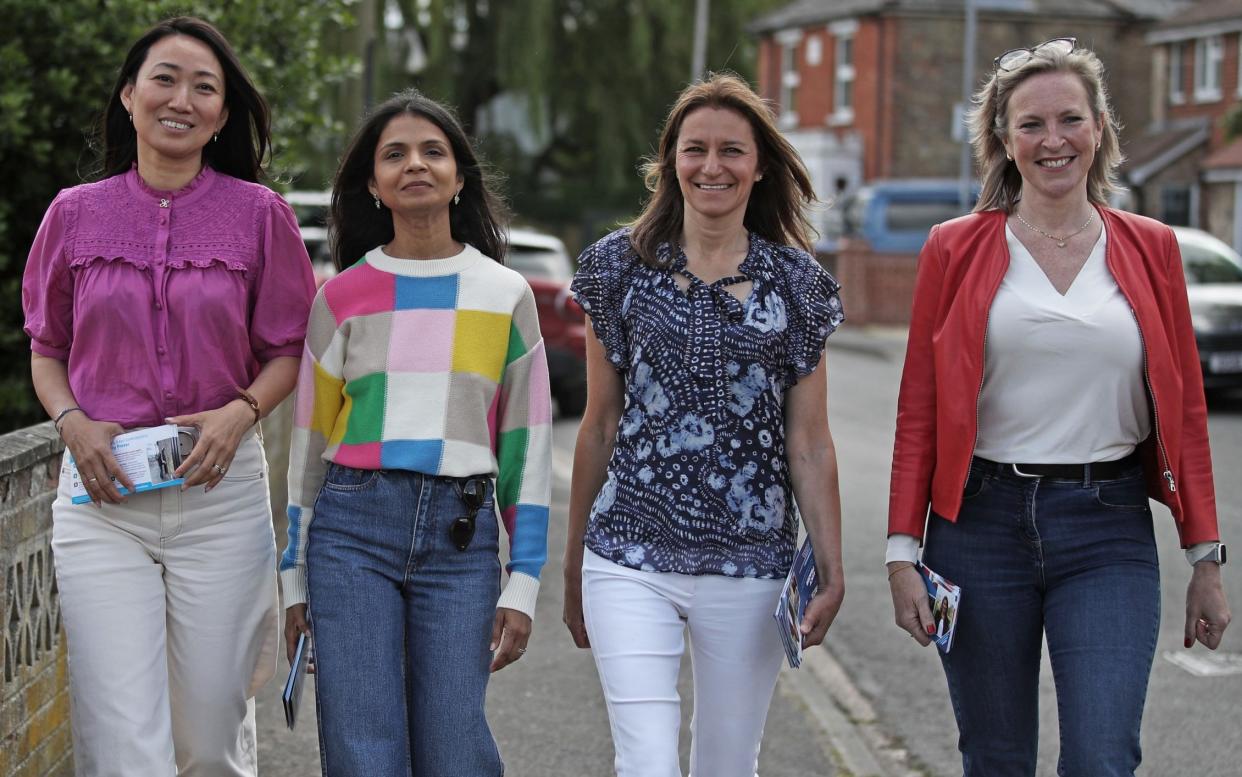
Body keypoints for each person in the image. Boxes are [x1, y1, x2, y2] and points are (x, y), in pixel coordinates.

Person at [885, 38, 1231, 776]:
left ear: (1099, 127)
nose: (1053, 140)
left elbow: (1187, 413)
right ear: (1005, 140)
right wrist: (900, 554)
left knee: (1104, 755)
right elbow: (918, 408)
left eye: (1070, 119)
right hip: (976, 529)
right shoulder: (954, 248)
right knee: (996, 756)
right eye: (1031, 124)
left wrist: (1206, 557)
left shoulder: (1152, 247)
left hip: (1107, 528)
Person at [21, 16, 315, 776]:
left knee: (210, 738)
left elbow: (287, 350)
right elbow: (46, 348)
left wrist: (242, 409)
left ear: (220, 115)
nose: (181, 97)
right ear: (128, 95)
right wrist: (71, 421)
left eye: (204, 86)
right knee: (123, 740)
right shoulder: (72, 214)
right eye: (164, 78)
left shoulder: (260, 215)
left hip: (219, 497)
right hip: (101, 500)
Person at [564, 72, 847, 777]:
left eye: (731, 151)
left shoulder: (798, 285)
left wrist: (832, 566)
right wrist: (574, 564)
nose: (712, 166)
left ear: (758, 167)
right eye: (695, 149)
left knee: (727, 763)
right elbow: (598, 426)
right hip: (628, 554)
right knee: (648, 762)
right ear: (670, 161)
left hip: (751, 562)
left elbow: (809, 441)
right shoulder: (614, 269)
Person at [281, 88, 551, 776]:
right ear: (372, 183)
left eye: (434, 151)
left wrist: (522, 581)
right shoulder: (339, 297)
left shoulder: (505, 294)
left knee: (455, 751)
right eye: (394, 154)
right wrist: (293, 579)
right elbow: (307, 450)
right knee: (364, 751)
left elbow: (529, 446)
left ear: (460, 175)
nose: (416, 165)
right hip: (350, 534)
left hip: (461, 542)